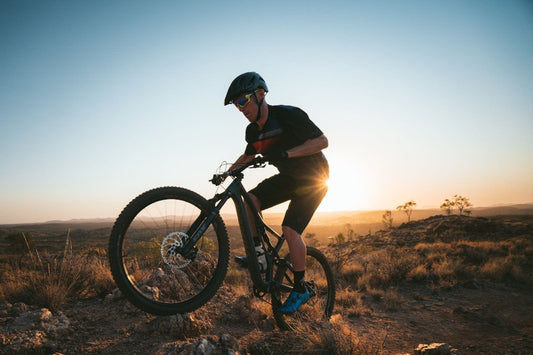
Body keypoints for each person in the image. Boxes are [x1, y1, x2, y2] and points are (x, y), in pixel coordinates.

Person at [224, 72, 329, 313]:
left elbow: (322, 141)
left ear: (260, 95)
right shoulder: (253, 132)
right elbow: (248, 156)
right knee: (249, 200)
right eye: (235, 104)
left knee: (290, 229)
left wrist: (287, 154)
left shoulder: (289, 115)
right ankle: (258, 257)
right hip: (289, 179)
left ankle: (301, 288)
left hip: (314, 178)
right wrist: (226, 174)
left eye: (243, 101)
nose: (240, 108)